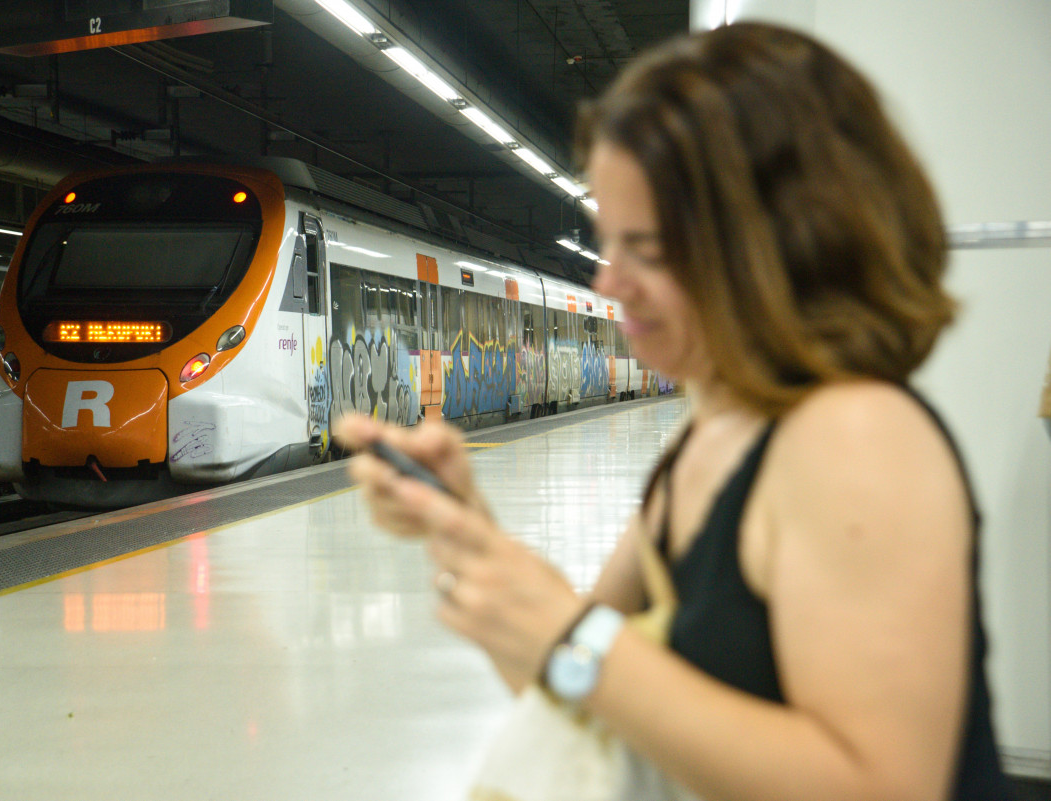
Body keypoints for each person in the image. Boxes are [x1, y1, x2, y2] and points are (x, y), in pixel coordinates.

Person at [335, 21, 1013, 801]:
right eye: (609, 244)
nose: (610, 283)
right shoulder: (711, 434)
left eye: (647, 249)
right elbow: (569, 690)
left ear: (778, 243)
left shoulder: (856, 437)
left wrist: (570, 635)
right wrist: (461, 529)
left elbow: (884, 784)